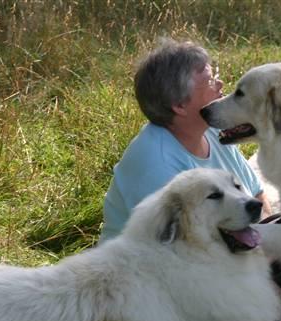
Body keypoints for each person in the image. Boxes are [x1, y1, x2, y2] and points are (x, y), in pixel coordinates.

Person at [99, 38, 271, 243]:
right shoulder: (157, 164)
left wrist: (269, 235)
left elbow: (257, 194)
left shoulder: (211, 131)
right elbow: (186, 249)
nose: (220, 83)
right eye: (209, 80)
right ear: (179, 105)